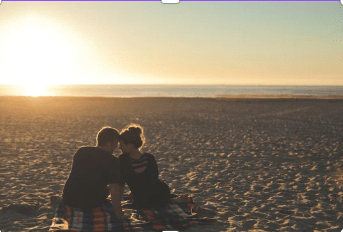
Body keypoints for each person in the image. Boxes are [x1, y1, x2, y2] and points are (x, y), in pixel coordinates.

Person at [117, 124, 187, 209]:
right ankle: (170, 200)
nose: (120, 148)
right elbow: (152, 181)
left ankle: (170, 200)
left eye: (122, 144)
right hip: (158, 196)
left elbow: (121, 182)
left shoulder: (122, 159)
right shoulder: (149, 158)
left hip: (143, 199)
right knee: (159, 189)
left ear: (131, 145)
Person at [62, 127, 125, 219]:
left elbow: (75, 176)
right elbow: (114, 189)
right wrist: (118, 213)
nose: (116, 147)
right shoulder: (112, 160)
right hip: (89, 203)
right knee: (105, 191)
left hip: (68, 199)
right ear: (108, 144)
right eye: (115, 144)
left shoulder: (81, 151)